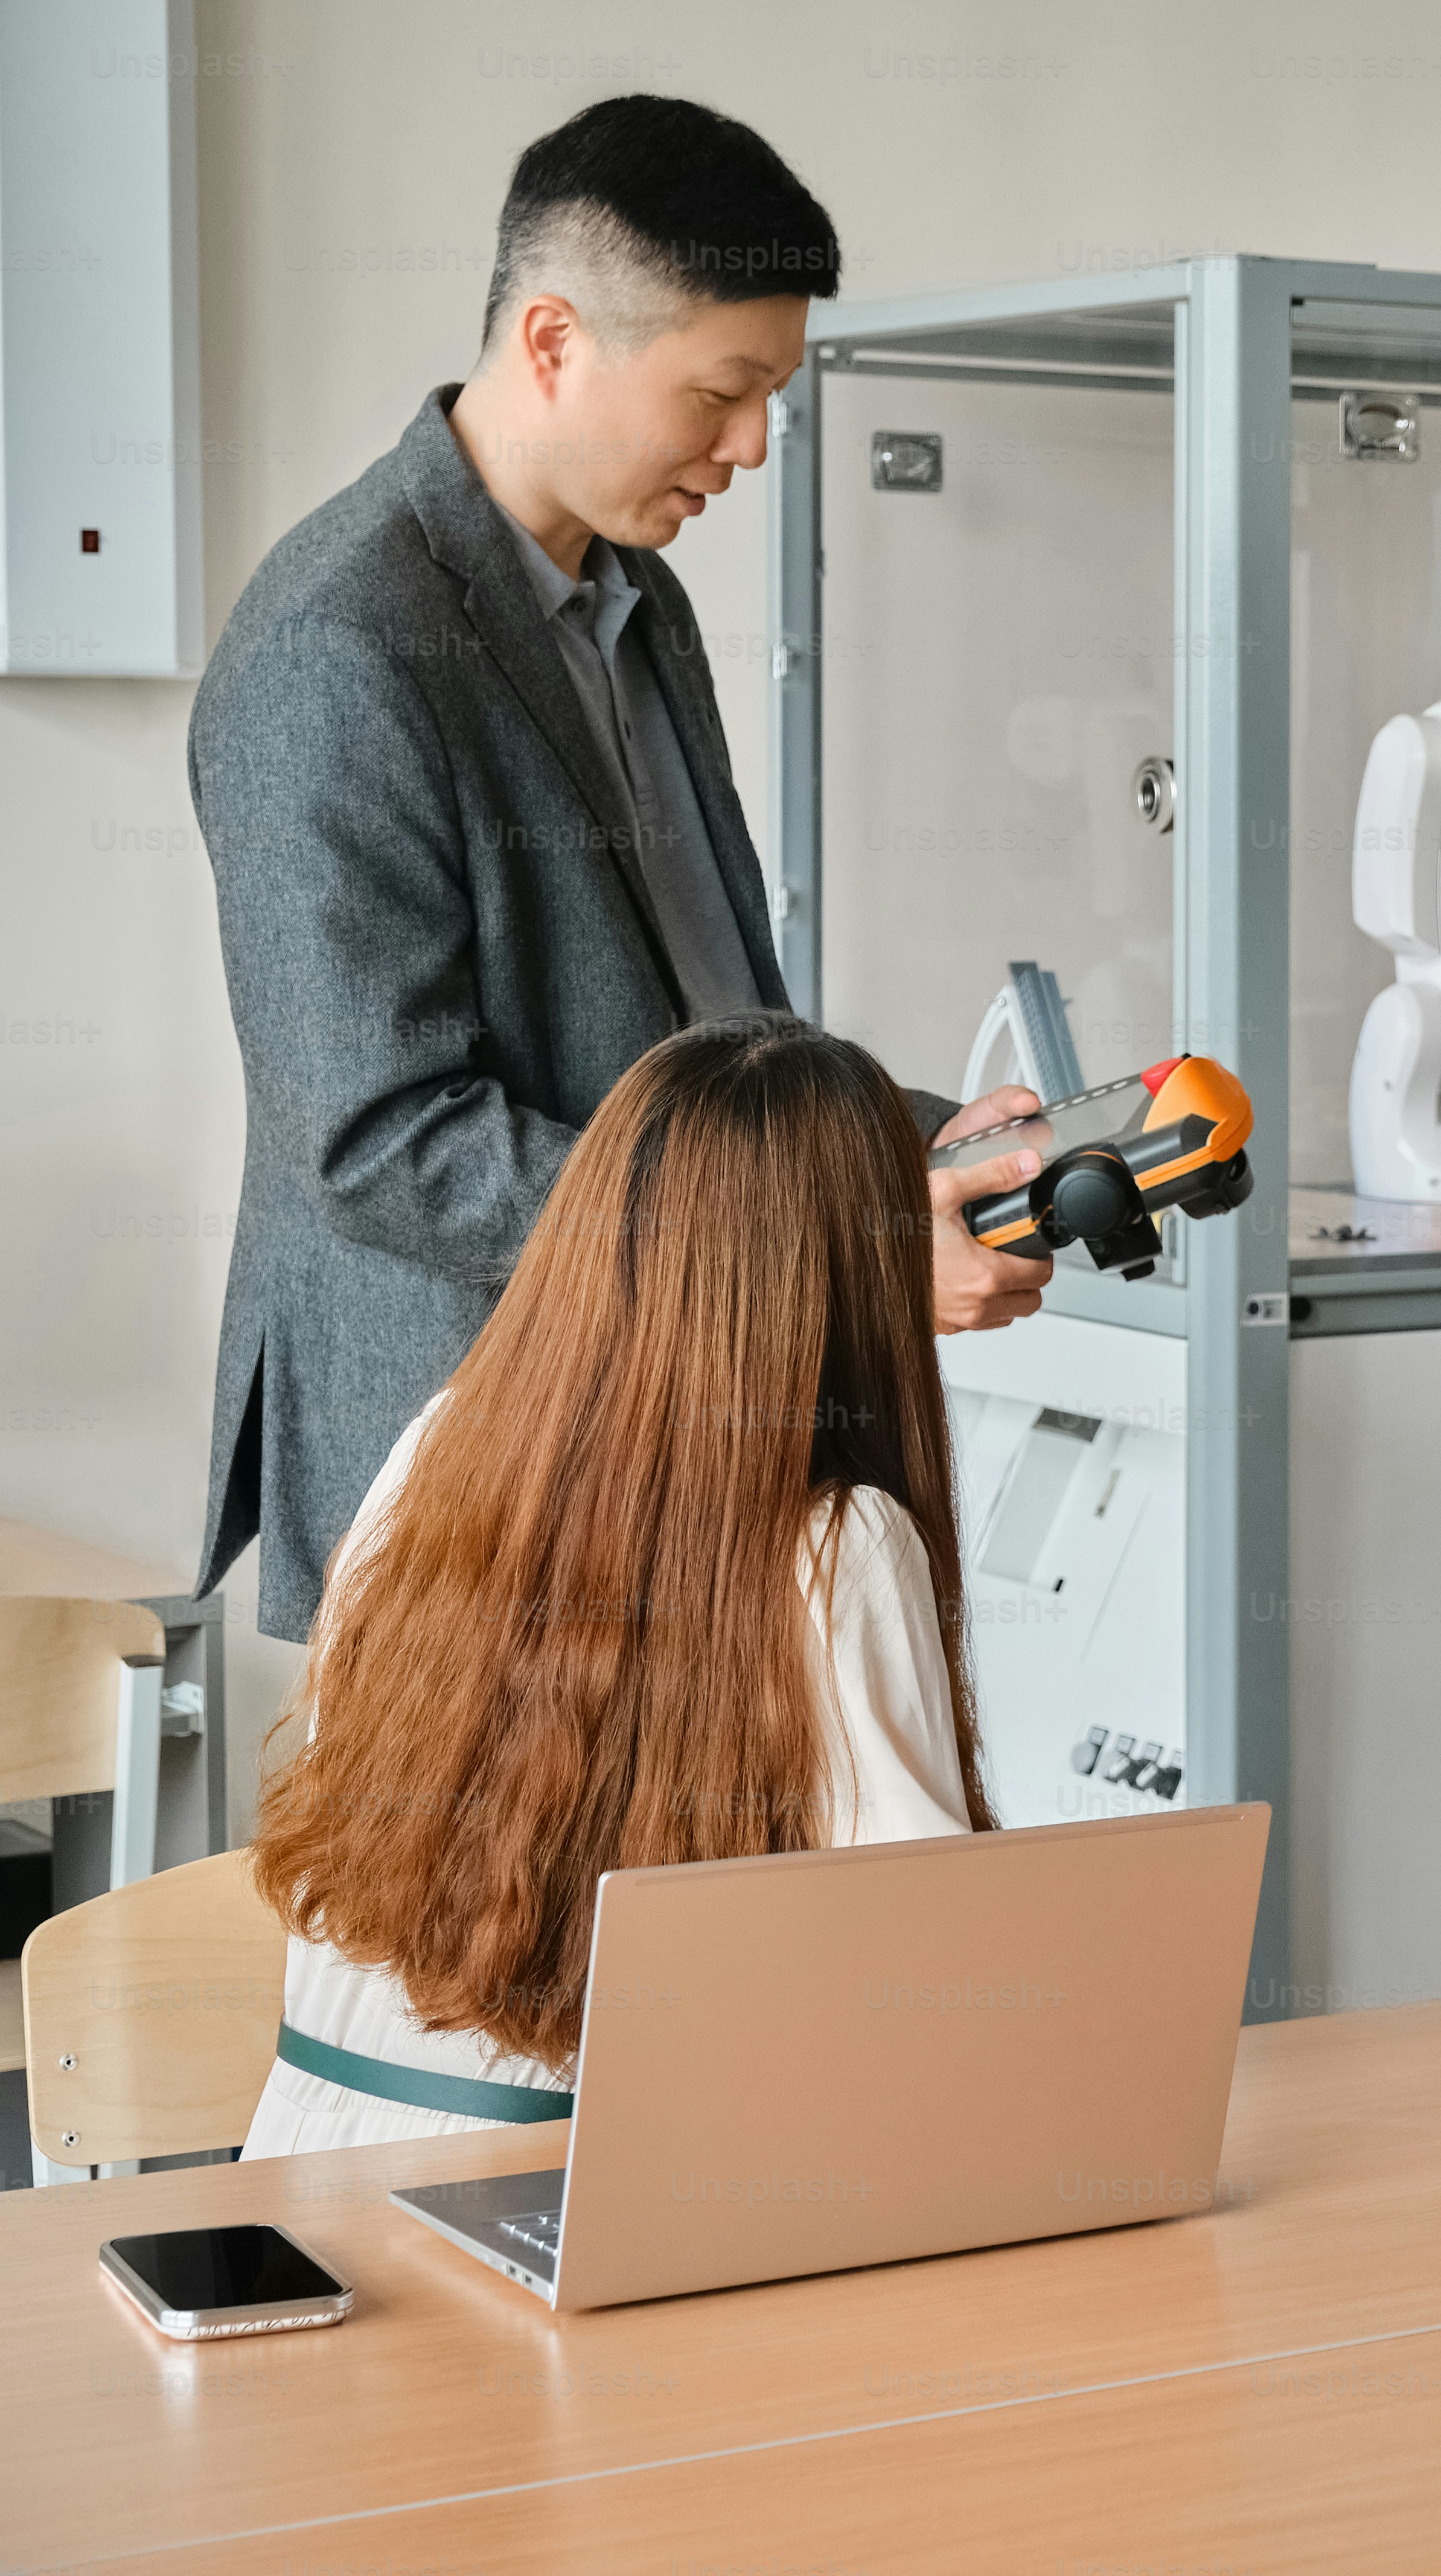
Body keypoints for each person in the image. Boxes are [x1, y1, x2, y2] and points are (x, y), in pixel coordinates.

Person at [191, 94, 1048, 1650]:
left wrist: (915, 1134)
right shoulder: (338, 642)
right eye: (724, 391)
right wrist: (838, 1246)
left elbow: (689, 1018)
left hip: (667, 1428)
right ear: (552, 341)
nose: (754, 445)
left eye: (774, 394)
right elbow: (384, 1142)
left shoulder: (633, 593)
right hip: (476, 1471)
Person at [244, 1018, 994, 2155]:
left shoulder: (436, 1446)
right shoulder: (841, 1542)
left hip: (303, 2171)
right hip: (593, 2195)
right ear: (862, 1268)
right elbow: (928, 1990)